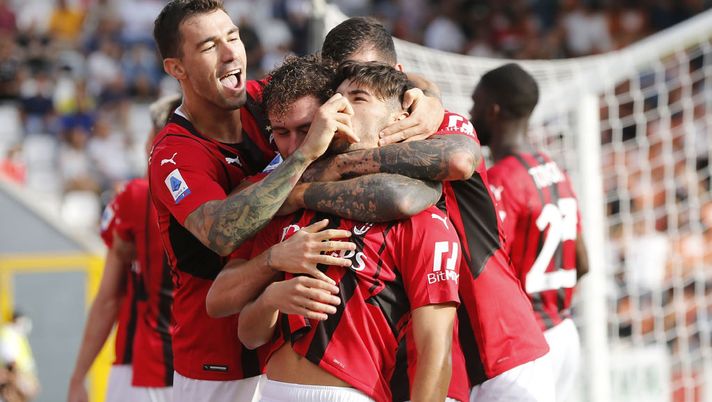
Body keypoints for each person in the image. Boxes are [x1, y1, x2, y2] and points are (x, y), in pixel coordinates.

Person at [319, 17, 554, 402]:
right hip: (444, 360)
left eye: (366, 78)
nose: (348, 97)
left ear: (398, 74)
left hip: (501, 353)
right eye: (340, 83)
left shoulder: (440, 122)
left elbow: (461, 160)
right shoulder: (338, 134)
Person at [238, 60, 461, 402]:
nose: (340, 108)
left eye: (358, 98)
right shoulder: (291, 201)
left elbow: (435, 352)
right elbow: (248, 334)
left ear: (401, 117)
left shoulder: (425, 222)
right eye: (336, 99)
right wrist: (271, 298)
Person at [471, 63, 589, 402]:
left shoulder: (501, 181)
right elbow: (582, 261)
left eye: (474, 103)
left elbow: (488, 271)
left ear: (493, 110)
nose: (469, 111)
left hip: (527, 343)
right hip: (564, 332)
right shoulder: (553, 168)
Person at [67, 94, 181, 402]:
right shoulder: (235, 192)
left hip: (147, 368)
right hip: (215, 370)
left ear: (156, 139)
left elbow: (108, 298)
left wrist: (79, 377)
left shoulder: (136, 198)